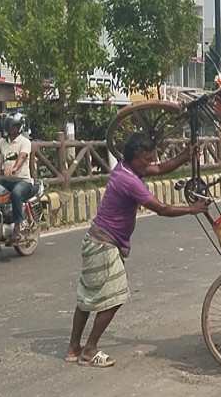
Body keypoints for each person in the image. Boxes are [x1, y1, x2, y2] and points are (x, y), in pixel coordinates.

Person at [65, 133, 208, 367]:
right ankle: (89, 350)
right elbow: (161, 209)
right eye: (147, 159)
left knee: (87, 297)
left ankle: (73, 348)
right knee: (116, 297)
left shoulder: (125, 168)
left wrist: (186, 156)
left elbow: (160, 168)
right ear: (136, 157)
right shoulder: (129, 181)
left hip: (97, 240)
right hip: (104, 244)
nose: (151, 163)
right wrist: (191, 209)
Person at [0, 113, 34, 244]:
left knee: (16, 193)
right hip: (6, 180)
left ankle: (17, 229)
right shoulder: (2, 142)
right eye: (8, 125)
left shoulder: (25, 142)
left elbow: (22, 156)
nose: (10, 128)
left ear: (20, 127)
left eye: (13, 125)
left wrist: (14, 168)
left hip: (23, 180)